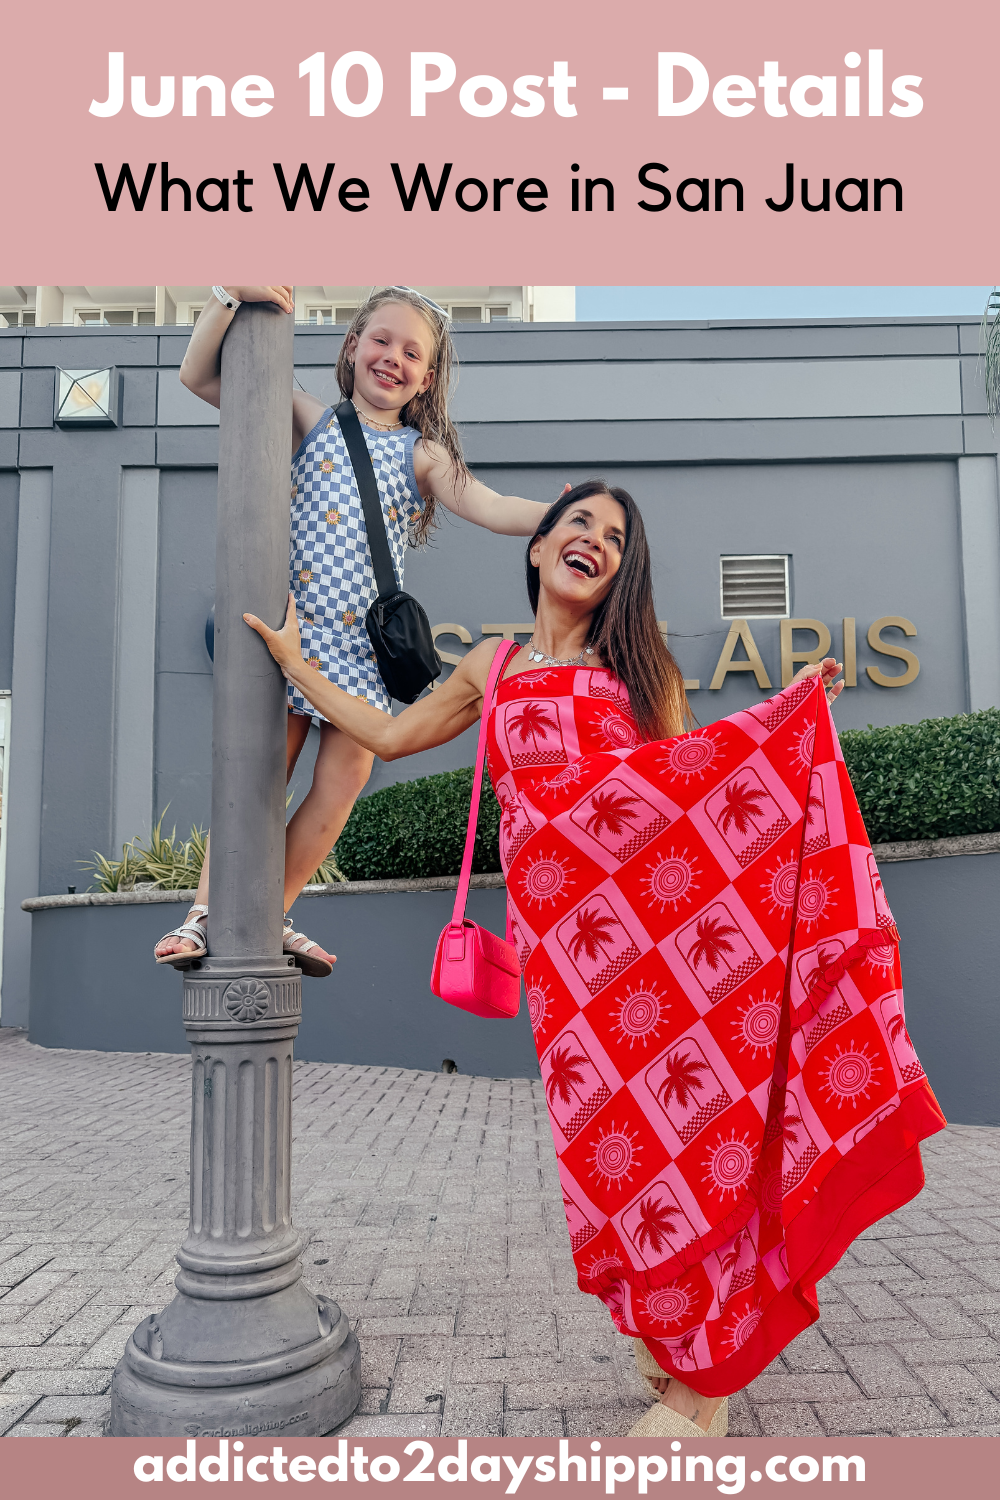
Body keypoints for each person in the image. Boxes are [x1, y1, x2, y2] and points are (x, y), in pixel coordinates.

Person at [244, 479, 946, 1437]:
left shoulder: (639, 671)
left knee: (690, 1134)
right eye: (579, 522)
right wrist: (296, 663)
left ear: (621, 571)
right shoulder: (491, 665)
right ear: (539, 547)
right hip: (566, 964)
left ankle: (705, 1385)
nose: (595, 541)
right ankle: (672, 1335)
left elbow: (696, 794)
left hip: (662, 960)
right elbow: (392, 735)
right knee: (612, 1159)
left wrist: (785, 719)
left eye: (615, 537)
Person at [155, 284, 558, 975]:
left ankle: (269, 915)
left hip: (362, 653)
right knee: (261, 775)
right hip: (292, 636)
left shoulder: (422, 455)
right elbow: (200, 376)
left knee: (343, 784)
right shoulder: (310, 418)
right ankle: (203, 915)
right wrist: (230, 295)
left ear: (427, 378)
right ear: (351, 347)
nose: (393, 357)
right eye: (381, 340)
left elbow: (491, 507)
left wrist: (565, 514)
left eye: (412, 352)